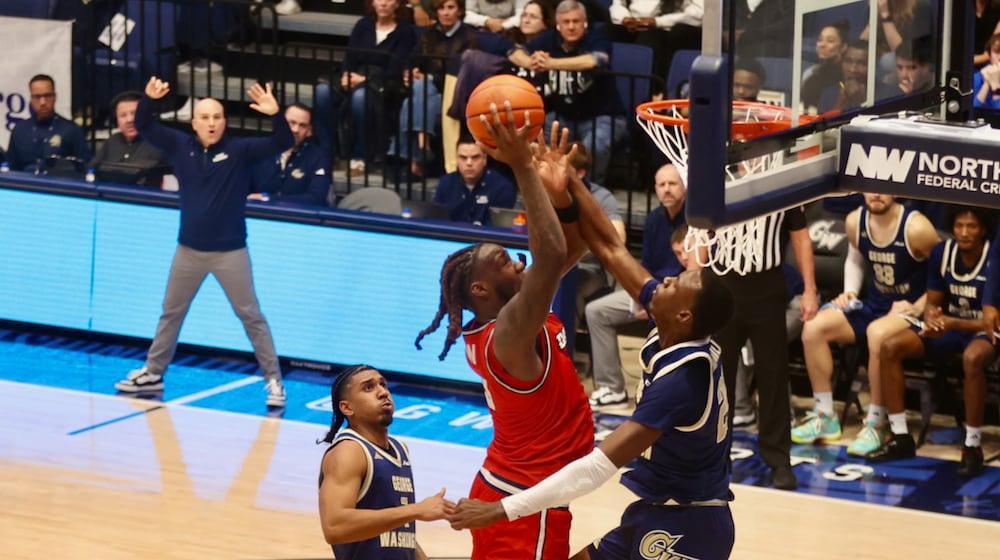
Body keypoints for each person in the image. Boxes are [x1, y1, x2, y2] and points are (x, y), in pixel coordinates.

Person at [448, 157, 736, 560]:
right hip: (651, 510)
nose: (663, 280)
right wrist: (570, 184)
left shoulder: (682, 382)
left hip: (689, 523)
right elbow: (610, 246)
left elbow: (596, 469)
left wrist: (500, 511)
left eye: (674, 283)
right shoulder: (677, 321)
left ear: (684, 314)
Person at [415, 114, 594, 559]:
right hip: (522, 498)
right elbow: (551, 254)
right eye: (505, 261)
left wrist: (562, 194)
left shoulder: (509, 318)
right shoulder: (508, 334)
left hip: (520, 490)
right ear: (480, 290)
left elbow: (573, 247)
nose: (518, 263)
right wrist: (521, 167)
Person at [113, 76, 292, 408]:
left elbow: (282, 140)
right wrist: (148, 99)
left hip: (231, 252)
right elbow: (143, 125)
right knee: (171, 312)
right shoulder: (182, 146)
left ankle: (274, 381)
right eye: (205, 118)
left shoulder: (240, 150)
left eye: (217, 117)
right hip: (189, 250)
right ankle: (153, 373)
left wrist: (275, 113)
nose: (211, 123)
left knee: (251, 315)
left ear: (225, 122)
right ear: (194, 123)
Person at [792, 194, 940, 456]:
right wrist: (850, 291)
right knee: (814, 327)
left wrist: (918, 306)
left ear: (895, 191)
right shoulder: (854, 220)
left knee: (876, 333)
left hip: (910, 312)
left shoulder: (917, 227)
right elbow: (855, 258)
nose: (876, 195)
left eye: (883, 189)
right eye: (871, 188)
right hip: (874, 306)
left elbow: (944, 272)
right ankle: (825, 415)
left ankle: (877, 423)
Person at [866, 207, 995, 477]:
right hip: (951, 326)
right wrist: (933, 319)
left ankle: (972, 446)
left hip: (985, 330)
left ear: (983, 229)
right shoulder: (942, 252)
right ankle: (900, 436)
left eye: (971, 226)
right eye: (959, 225)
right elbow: (933, 304)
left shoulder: (994, 257)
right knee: (890, 347)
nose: (964, 232)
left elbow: (991, 321)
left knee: (972, 359)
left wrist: (952, 322)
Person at [712, 205, 819, 490]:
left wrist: (809, 289)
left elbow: (801, 236)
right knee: (718, 377)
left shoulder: (782, 185)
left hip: (767, 285)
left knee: (773, 374)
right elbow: (700, 234)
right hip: (724, 283)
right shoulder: (720, 178)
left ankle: (779, 459)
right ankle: (715, 457)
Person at [318, 364, 456, 559]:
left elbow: (397, 534)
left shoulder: (401, 450)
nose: (382, 392)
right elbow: (334, 526)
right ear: (347, 407)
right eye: (368, 387)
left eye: (383, 384)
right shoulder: (349, 452)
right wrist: (415, 510)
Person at [585, 163, 686, 409]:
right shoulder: (653, 219)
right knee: (596, 311)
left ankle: (671, 395)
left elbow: (695, 272)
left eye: (672, 184)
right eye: (661, 185)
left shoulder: (696, 217)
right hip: (652, 290)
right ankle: (612, 388)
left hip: (683, 294)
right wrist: (640, 296)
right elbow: (646, 265)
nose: (666, 190)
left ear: (684, 185)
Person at [510, 0, 627, 183]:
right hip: (563, 116)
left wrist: (550, 63)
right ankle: (547, 188)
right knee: (535, 139)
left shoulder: (597, 38)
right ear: (558, 24)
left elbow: (594, 60)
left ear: (585, 22)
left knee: (593, 147)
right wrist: (531, 62)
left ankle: (590, 190)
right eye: (566, 22)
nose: (571, 27)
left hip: (603, 116)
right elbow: (513, 51)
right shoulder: (549, 39)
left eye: (576, 21)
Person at [313, 0, 417, 176]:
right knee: (322, 92)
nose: (383, 4)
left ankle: (359, 157)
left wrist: (367, 79)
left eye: (388, 0)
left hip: (384, 84)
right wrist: (346, 74)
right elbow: (349, 56)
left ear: (397, 4)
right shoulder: (363, 25)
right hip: (355, 77)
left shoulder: (405, 32)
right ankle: (327, 152)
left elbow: (396, 68)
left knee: (361, 97)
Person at [391, 0, 479, 178]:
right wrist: (411, 71)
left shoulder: (469, 37)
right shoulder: (429, 34)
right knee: (416, 95)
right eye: (441, 8)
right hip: (426, 94)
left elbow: (462, 73)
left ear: (459, 11)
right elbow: (414, 58)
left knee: (416, 96)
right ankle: (423, 150)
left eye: (450, 8)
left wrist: (429, 78)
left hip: (454, 95)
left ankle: (414, 160)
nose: (445, 13)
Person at [565, 141, 625, 323]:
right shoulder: (546, 190)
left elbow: (619, 237)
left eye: (563, 167)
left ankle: (563, 348)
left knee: (569, 292)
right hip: (551, 266)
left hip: (587, 269)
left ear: (580, 173)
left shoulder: (602, 197)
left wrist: (578, 251)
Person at [606, 0, 703, 95]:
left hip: (666, 26)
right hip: (631, 23)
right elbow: (617, 5)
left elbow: (698, 13)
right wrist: (624, 18)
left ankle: (650, 97)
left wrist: (657, 21)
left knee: (648, 39)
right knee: (607, 33)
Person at [249, 103, 331, 206]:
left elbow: (317, 198)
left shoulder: (318, 157)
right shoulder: (260, 150)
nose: (295, 130)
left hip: (300, 218)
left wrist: (269, 198)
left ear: (309, 131)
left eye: (302, 125)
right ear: (281, 123)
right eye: (291, 123)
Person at [6, 74, 90, 172]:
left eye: (47, 96)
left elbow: (84, 169)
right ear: (31, 99)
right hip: (23, 184)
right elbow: (11, 168)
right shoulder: (20, 130)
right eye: (37, 97)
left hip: (58, 185)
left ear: (55, 97)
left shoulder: (71, 130)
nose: (43, 102)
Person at [432, 134, 516, 225]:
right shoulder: (445, 183)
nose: (469, 163)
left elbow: (501, 229)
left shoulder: (502, 187)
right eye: (463, 157)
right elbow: (436, 221)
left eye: (475, 157)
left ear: (485, 159)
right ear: (456, 159)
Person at [90, 90, 169, 175]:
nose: (129, 120)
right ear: (116, 121)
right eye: (123, 115)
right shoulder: (112, 141)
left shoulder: (158, 142)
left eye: (134, 113)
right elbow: (92, 168)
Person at [801, 21, 849, 112]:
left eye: (830, 41)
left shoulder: (849, 74)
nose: (822, 45)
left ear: (843, 47)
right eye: (820, 39)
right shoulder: (811, 74)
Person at [818, 40, 870, 113]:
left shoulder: (888, 93)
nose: (853, 69)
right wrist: (842, 101)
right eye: (848, 61)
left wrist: (862, 102)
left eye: (861, 63)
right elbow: (825, 123)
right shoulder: (828, 95)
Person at [975, 33, 1000, 108]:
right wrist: (986, 84)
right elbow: (972, 112)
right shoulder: (978, 77)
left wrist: (996, 86)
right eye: (996, 52)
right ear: (989, 55)